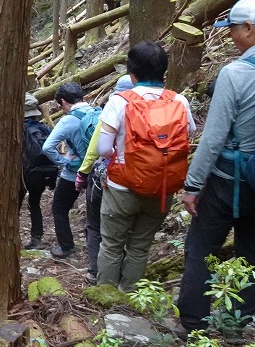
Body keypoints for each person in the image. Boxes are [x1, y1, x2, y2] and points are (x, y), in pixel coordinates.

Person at [176, 0, 255, 339]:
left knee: (201, 248)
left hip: (229, 181)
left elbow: (213, 138)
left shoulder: (236, 73)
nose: (230, 36)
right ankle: (235, 326)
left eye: (232, 29)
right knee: (251, 250)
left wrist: (193, 185)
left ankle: (193, 325)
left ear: (249, 28)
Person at [94, 43, 195, 292]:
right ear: (164, 70)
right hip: (161, 187)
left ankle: (106, 296)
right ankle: (130, 294)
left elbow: (103, 148)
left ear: (132, 72)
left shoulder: (119, 102)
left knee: (112, 245)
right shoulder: (179, 101)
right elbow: (188, 135)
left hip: (122, 186)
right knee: (140, 246)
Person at [74, 75, 135, 279]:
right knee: (128, 230)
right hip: (142, 178)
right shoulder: (152, 109)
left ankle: (95, 271)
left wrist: (82, 173)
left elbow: (96, 148)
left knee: (95, 225)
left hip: (108, 177)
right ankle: (127, 277)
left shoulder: (113, 107)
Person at [42, 82, 97, 258]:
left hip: (75, 172)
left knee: (59, 208)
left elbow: (47, 147)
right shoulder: (96, 111)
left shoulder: (68, 120)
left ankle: (66, 247)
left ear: (64, 102)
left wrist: (63, 162)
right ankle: (96, 250)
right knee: (95, 213)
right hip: (98, 170)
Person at [19, 93, 57, 250]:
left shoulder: (19, 129)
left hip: (24, 174)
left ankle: (12, 237)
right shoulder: (44, 128)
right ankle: (37, 238)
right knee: (34, 203)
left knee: (14, 205)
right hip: (44, 172)